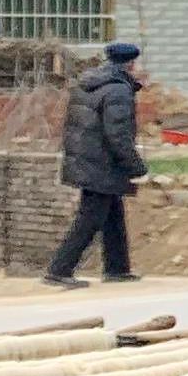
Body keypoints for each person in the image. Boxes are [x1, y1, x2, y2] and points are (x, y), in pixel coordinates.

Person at [44, 39, 150, 288]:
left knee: (113, 215)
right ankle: (59, 270)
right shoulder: (118, 90)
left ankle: (117, 268)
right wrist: (137, 167)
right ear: (131, 64)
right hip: (103, 164)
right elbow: (118, 135)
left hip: (87, 159)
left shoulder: (89, 83)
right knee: (89, 218)